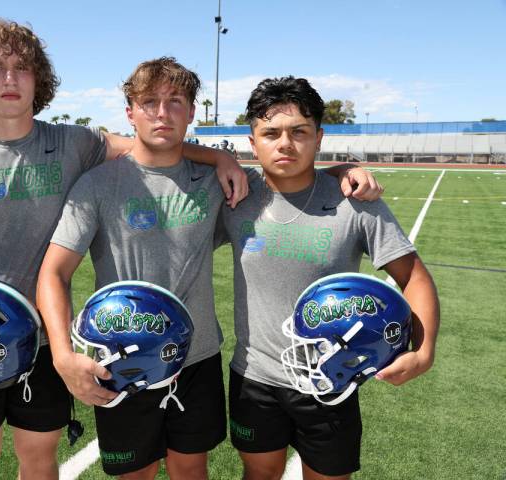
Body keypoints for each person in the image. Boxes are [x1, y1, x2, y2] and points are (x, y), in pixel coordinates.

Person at [0, 19, 246, 480]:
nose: (10, 78)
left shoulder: (73, 143)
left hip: (46, 341)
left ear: (39, 78)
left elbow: (150, 145)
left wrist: (220, 156)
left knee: (39, 460)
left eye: (22, 67)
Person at [36, 59, 383, 480]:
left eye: (175, 101)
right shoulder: (97, 184)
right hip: (122, 357)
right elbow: (54, 273)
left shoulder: (214, 183)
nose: (162, 113)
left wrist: (345, 171)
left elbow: (286, 185)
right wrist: (61, 354)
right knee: (135, 475)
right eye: (149, 102)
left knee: (191, 469)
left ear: (191, 112)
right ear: (130, 112)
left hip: (196, 360)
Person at [215, 76, 440, 480]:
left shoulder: (355, 203)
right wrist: (216, 159)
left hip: (334, 378)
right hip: (254, 377)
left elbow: (415, 278)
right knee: (258, 472)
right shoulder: (236, 196)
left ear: (319, 137)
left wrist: (423, 351)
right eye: (271, 133)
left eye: (299, 132)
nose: (285, 143)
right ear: (252, 142)